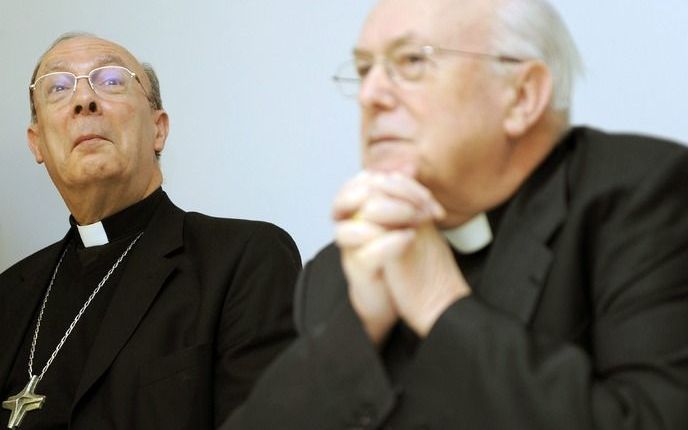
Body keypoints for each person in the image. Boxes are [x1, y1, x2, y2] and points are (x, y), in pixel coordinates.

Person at [224, 0, 688, 428]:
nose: (370, 95)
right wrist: (360, 324)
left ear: (522, 96)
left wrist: (438, 303)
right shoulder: (335, 273)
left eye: (412, 61)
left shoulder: (640, 197)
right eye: (365, 69)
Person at [0, 33, 301, 429]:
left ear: (158, 129)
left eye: (111, 81)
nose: (83, 99)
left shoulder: (245, 259)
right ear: (37, 144)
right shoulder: (9, 295)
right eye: (58, 87)